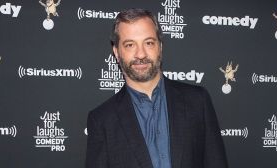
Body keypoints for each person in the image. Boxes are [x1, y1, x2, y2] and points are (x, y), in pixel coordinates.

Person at [86, 8, 228, 168]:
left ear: (160, 46)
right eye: (130, 45)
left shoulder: (197, 101)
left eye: (148, 43)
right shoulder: (102, 120)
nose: (141, 54)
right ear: (117, 53)